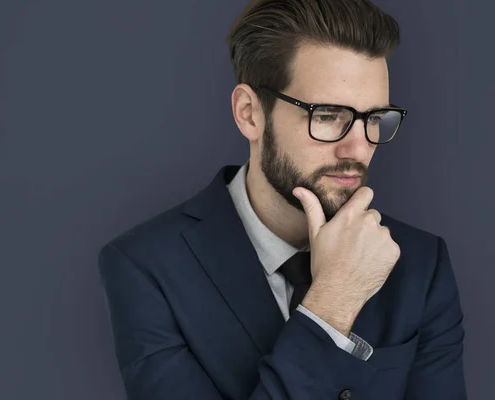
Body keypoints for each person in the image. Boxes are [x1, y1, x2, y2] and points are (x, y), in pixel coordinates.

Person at [98, 0, 467, 398]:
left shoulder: (420, 264)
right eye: (327, 115)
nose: (358, 149)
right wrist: (332, 304)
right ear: (249, 113)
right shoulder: (147, 266)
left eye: (374, 118)